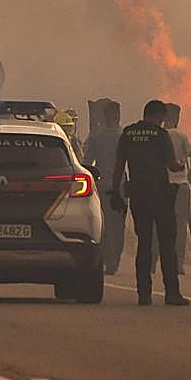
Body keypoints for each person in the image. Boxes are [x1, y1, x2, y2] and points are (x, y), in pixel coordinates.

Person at [111, 99, 190, 306]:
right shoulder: (161, 135)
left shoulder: (128, 133)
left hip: (137, 194)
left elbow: (119, 165)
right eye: (162, 119)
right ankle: (172, 293)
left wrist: (115, 191)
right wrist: (181, 166)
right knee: (166, 244)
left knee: (144, 242)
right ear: (159, 116)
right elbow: (171, 164)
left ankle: (143, 294)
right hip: (160, 195)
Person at [152, 102, 191, 275]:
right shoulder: (182, 136)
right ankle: (178, 262)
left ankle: (153, 260)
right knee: (180, 225)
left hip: (162, 186)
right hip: (182, 187)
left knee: (158, 224)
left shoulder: (158, 135)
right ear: (176, 117)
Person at [82, 98, 126, 275]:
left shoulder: (95, 137)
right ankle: (114, 259)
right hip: (120, 187)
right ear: (118, 116)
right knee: (118, 225)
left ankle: (108, 258)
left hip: (101, 186)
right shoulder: (125, 136)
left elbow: (87, 163)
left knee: (104, 224)